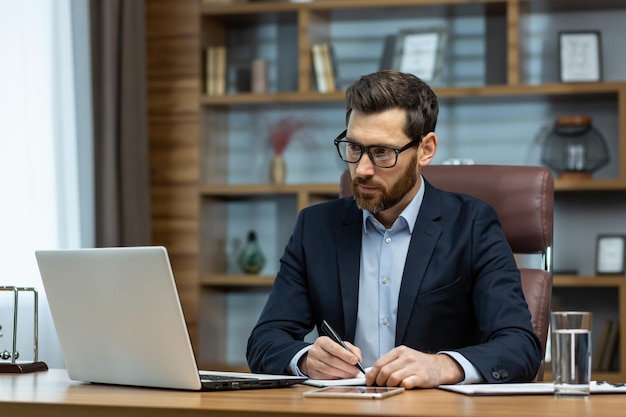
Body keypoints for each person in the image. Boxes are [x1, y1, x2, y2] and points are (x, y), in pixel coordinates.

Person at [246, 70, 542, 388]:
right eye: (354, 147)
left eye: (382, 153)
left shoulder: (472, 225)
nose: (361, 169)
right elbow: (265, 339)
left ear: (426, 149)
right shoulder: (316, 227)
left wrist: (442, 366)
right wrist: (306, 359)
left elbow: (520, 346)